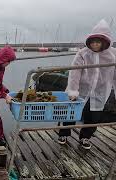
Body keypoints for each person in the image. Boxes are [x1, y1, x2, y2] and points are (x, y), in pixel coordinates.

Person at [57, 19, 116, 150]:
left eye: (98, 42)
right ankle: (64, 134)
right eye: (93, 42)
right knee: (71, 112)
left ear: (105, 42)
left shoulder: (112, 55)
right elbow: (75, 72)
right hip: (81, 89)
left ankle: (85, 137)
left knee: (93, 116)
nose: (95, 45)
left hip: (100, 91)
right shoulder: (83, 53)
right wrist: (73, 90)